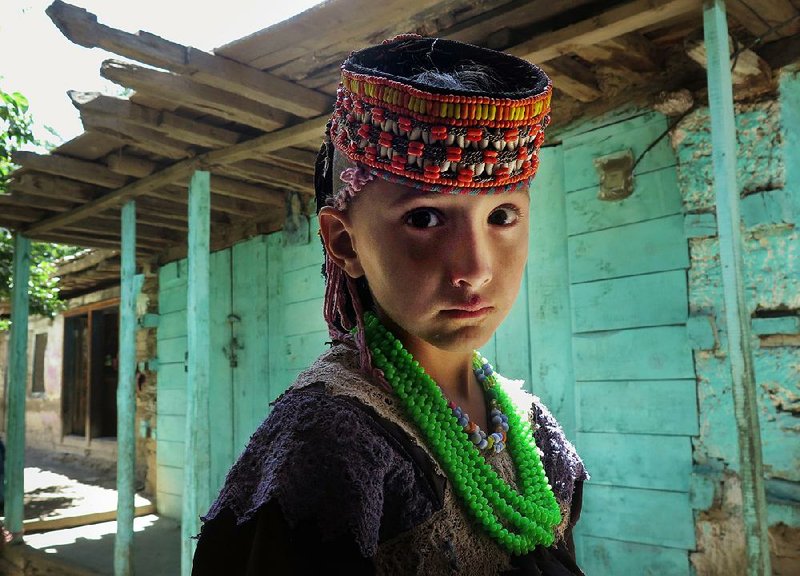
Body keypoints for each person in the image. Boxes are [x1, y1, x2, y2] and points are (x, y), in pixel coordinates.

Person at [192, 34, 588, 575]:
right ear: (345, 243)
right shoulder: (331, 439)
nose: (475, 269)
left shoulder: (531, 429)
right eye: (424, 218)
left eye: (502, 217)